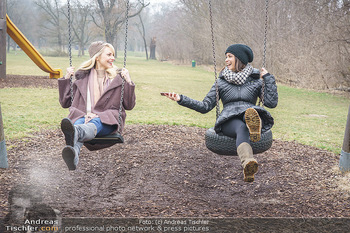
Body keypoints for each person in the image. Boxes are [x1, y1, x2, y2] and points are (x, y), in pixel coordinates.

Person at [163, 44, 278, 182]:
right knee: (242, 126)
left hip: (248, 115)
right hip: (229, 120)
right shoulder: (221, 83)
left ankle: (252, 136)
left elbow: (271, 103)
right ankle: (248, 162)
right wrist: (181, 99)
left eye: (230, 56)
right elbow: (205, 106)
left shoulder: (256, 81)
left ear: (239, 59)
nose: (226, 60)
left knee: (249, 117)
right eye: (226, 57)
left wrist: (268, 78)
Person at [58, 41, 136, 170]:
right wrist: (67, 78)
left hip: (108, 121)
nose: (113, 58)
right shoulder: (81, 79)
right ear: (97, 57)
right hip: (84, 117)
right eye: (109, 54)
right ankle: (74, 157)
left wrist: (128, 81)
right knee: (78, 124)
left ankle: (77, 131)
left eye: (113, 54)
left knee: (84, 125)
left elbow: (129, 104)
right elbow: (65, 102)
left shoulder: (117, 78)